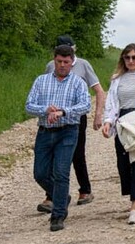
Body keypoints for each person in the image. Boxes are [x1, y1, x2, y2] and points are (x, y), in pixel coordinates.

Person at [26, 45, 91, 231]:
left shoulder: (78, 82)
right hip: (45, 131)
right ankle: (61, 196)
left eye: (66, 62)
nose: (62, 65)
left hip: (68, 131)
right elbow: (29, 105)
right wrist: (45, 109)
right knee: (40, 173)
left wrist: (64, 111)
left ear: (72, 62)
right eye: (59, 61)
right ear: (54, 60)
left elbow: (85, 105)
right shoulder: (41, 81)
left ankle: (58, 215)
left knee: (61, 172)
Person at [43, 35, 105, 206]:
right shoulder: (50, 66)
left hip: (76, 117)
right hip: (54, 116)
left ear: (74, 49)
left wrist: (98, 114)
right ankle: (51, 195)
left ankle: (85, 190)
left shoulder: (83, 65)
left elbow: (99, 90)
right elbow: (44, 88)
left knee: (77, 154)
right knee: (53, 154)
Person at [101, 43, 135, 225]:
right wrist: (107, 122)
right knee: (124, 163)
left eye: (134, 58)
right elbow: (111, 104)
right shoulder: (116, 79)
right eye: (127, 57)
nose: (130, 61)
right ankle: (134, 197)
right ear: (123, 59)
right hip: (123, 122)